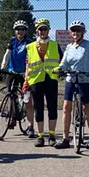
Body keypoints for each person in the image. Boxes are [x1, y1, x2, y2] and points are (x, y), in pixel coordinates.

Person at [53, 20, 89, 149]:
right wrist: (59, 68)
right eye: (73, 30)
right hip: (71, 79)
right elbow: (64, 63)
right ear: (70, 33)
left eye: (78, 30)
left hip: (85, 79)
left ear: (83, 33)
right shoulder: (69, 47)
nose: (76, 33)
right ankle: (65, 139)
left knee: (86, 107)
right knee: (66, 107)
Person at [23, 18, 64, 147]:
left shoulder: (54, 44)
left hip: (51, 79)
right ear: (37, 31)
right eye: (40, 29)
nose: (42, 31)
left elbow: (62, 60)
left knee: (52, 107)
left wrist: (61, 70)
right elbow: (28, 65)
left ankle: (51, 135)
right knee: (38, 108)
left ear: (48, 30)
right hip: (36, 80)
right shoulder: (29, 47)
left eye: (45, 29)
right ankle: (40, 136)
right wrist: (26, 81)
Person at [0, 19, 35, 138]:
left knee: (27, 100)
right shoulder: (12, 41)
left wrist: (29, 72)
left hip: (25, 74)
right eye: (18, 29)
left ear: (26, 31)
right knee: (10, 94)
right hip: (12, 72)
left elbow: (31, 58)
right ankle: (12, 115)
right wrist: (2, 68)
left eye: (22, 30)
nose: (20, 32)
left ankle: (30, 127)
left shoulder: (30, 43)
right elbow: (7, 55)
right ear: (15, 31)